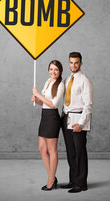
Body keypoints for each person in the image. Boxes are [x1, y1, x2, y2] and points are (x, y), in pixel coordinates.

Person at [60, 52, 93, 193]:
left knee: (79, 152)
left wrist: (81, 123)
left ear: (81, 63)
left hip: (78, 118)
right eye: (71, 62)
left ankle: (81, 184)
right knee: (71, 152)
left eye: (76, 62)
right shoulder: (67, 79)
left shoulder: (84, 80)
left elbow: (88, 104)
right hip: (66, 117)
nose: (73, 65)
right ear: (69, 63)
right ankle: (73, 180)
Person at [32, 60, 65, 191]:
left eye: (56, 70)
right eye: (51, 69)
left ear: (60, 71)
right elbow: (45, 103)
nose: (53, 72)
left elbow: (53, 104)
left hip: (52, 118)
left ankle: (51, 181)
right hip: (44, 117)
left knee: (52, 150)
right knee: (42, 148)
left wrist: (38, 94)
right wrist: (37, 100)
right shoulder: (47, 81)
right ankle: (52, 177)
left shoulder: (60, 85)